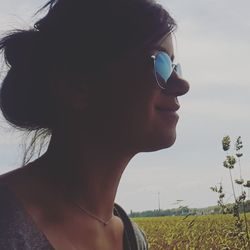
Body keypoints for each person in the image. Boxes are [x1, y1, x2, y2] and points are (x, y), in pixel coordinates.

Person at [0, 0, 189, 249]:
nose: (182, 85)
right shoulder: (8, 226)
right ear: (77, 85)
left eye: (175, 66)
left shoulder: (132, 239)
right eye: (160, 64)